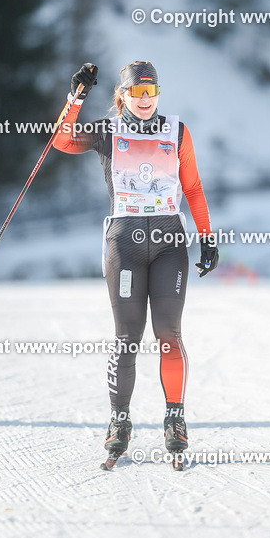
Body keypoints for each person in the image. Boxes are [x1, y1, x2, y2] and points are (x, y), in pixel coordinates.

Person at [52, 61, 219, 465]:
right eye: (137, 93)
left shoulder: (176, 131)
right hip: (124, 243)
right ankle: (120, 421)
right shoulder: (108, 132)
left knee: (169, 334)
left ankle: (174, 419)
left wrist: (208, 237)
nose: (145, 100)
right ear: (122, 96)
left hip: (168, 244)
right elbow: (61, 140)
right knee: (127, 337)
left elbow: (193, 187)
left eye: (152, 92)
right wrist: (75, 97)